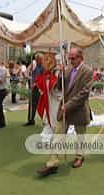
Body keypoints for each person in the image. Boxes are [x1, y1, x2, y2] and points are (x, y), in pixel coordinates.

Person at [37, 47, 93, 177]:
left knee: (80, 136)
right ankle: (52, 163)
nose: (71, 60)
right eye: (69, 58)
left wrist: (67, 105)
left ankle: (79, 156)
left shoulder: (88, 71)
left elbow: (84, 93)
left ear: (80, 58)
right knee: (58, 134)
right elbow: (60, 87)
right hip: (65, 110)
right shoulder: (67, 69)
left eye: (73, 58)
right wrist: (61, 75)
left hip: (78, 109)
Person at [24, 53, 44, 126]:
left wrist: (35, 84)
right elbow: (29, 75)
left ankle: (45, 120)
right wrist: (28, 77)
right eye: (36, 59)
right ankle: (30, 120)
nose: (36, 60)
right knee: (31, 104)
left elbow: (42, 79)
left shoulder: (42, 68)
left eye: (37, 59)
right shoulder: (34, 66)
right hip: (33, 88)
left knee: (41, 105)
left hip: (39, 89)